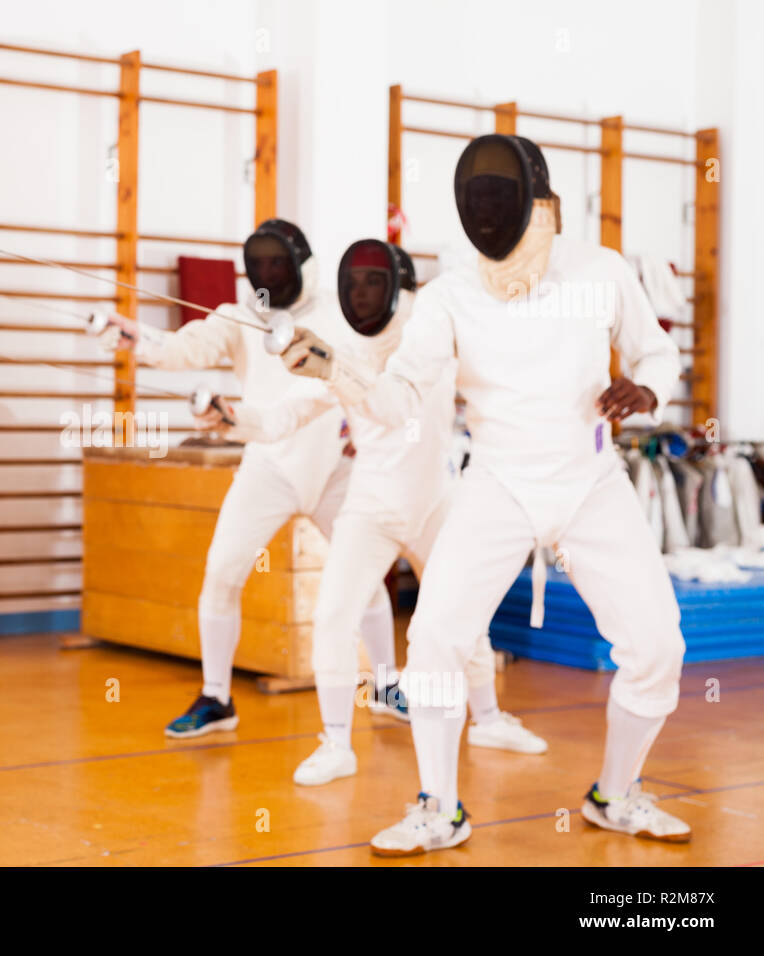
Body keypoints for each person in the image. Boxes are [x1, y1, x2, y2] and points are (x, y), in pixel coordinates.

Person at [282, 135, 688, 854]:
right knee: (435, 640)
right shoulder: (449, 297)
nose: (491, 212)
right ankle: (440, 806)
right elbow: (400, 399)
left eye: (503, 198)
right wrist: (336, 371)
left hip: (592, 481)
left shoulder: (600, 269)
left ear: (536, 199)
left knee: (657, 645)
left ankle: (615, 794)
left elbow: (657, 349)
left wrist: (649, 385)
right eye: (480, 201)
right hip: (498, 482)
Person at [212, 239, 547, 786]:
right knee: (333, 616)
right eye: (354, 282)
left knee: (468, 615)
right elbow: (280, 420)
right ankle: (336, 743)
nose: (362, 291)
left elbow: (400, 401)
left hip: (436, 501)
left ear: (401, 291)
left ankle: (487, 718)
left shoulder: (432, 346)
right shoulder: (346, 354)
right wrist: (233, 419)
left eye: (374, 280)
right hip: (371, 506)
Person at [99, 220, 403, 738]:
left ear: (301, 263)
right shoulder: (239, 317)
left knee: (365, 572)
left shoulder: (338, 311)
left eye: (277, 264)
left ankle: (387, 685)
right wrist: (140, 339)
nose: (267, 273)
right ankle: (217, 697)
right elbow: (185, 348)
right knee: (221, 572)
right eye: (258, 265)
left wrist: (367, 425)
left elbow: (371, 371)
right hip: (266, 462)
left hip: (334, 462)